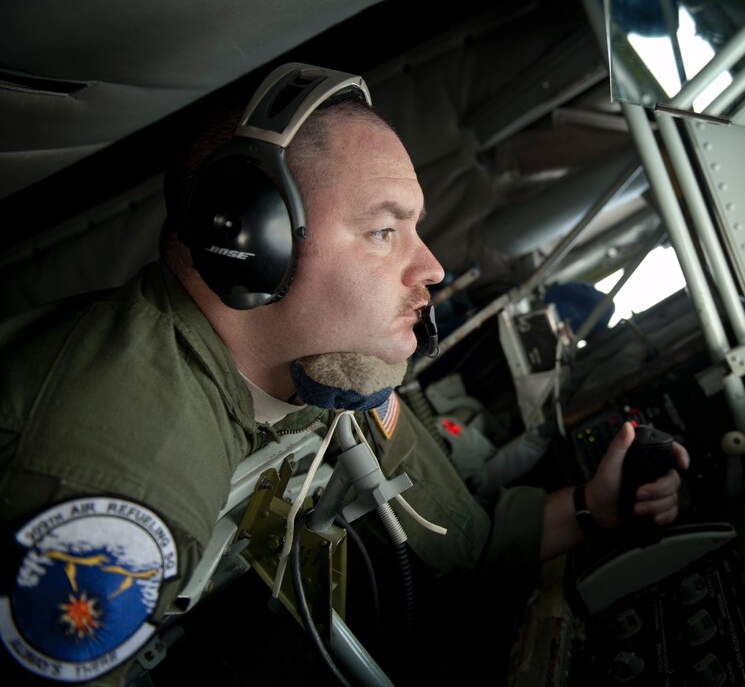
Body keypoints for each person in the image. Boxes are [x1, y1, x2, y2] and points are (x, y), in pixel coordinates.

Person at [0, 63, 689, 686]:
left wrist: (594, 510)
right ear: (249, 243)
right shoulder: (123, 461)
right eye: (385, 232)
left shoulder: (324, 377)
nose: (433, 269)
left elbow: (465, 542)